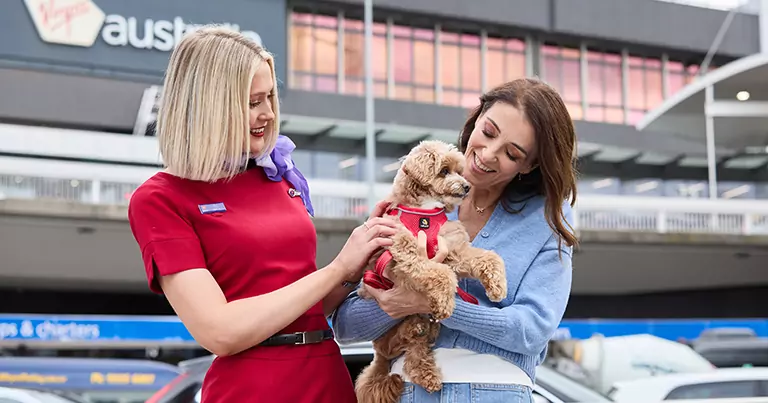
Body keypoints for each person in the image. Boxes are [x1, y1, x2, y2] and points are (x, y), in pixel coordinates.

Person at [127, 26, 400, 403]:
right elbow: (219, 331)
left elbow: (307, 308)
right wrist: (337, 268)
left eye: (270, 96)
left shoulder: (280, 177)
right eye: (253, 101)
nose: (269, 113)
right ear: (210, 103)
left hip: (327, 375)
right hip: (253, 388)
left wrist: (362, 258)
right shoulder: (160, 199)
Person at [332, 78, 578, 403]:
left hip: (495, 391)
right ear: (477, 118)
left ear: (530, 164)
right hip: (406, 389)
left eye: (512, 153)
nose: (488, 154)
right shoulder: (413, 198)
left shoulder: (548, 215)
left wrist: (435, 305)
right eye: (488, 132)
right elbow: (345, 327)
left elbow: (532, 330)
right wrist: (399, 300)